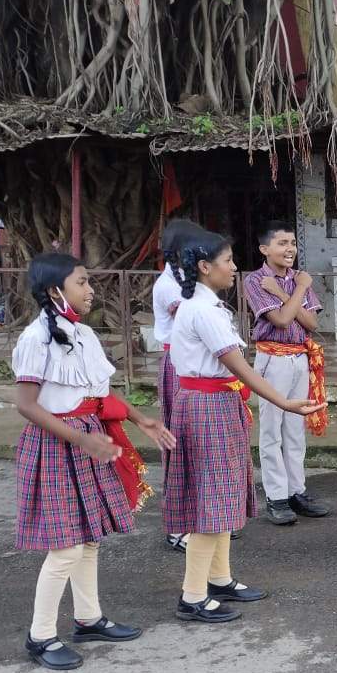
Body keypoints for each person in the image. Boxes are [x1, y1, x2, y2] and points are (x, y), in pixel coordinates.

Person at [13, 252, 175, 669]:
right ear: (55, 290)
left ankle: (88, 617)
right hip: (57, 444)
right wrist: (83, 441)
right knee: (65, 548)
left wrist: (142, 420)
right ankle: (41, 636)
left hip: (85, 438)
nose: (90, 290)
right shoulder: (36, 338)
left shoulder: (82, 335)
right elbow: (28, 406)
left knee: (87, 538)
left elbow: (98, 395)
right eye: (82, 282)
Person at [164, 222, 325, 623]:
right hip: (208, 405)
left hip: (215, 402)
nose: (234, 268)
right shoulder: (203, 311)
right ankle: (193, 595)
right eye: (227, 261)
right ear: (204, 267)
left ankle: (218, 578)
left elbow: (303, 323)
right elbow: (243, 368)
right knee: (211, 499)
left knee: (222, 495)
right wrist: (283, 402)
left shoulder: (206, 306)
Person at [243, 221, 330, 526]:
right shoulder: (255, 280)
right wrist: (296, 291)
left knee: (294, 430)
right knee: (271, 431)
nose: (289, 248)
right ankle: (276, 496)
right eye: (281, 243)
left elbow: (311, 323)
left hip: (299, 358)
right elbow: (281, 320)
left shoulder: (296, 280)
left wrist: (286, 290)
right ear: (265, 249)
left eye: (292, 242)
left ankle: (297, 491)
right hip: (273, 359)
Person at [154, 221, 189, 552]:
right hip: (178, 366)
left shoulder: (187, 283)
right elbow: (192, 321)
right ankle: (177, 525)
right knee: (177, 442)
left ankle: (197, 519)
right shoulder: (168, 286)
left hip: (192, 366)